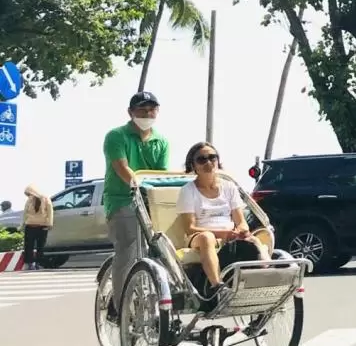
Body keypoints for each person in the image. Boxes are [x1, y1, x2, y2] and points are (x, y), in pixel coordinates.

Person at [103, 91, 170, 321]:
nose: (147, 114)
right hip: (123, 200)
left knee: (165, 249)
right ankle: (118, 306)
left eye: (152, 109)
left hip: (151, 202)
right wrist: (135, 183)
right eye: (142, 110)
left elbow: (161, 175)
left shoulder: (161, 141)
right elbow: (122, 168)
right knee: (128, 251)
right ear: (131, 113)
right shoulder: (116, 136)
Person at [178, 142, 269, 309]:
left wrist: (241, 230)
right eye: (201, 159)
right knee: (207, 238)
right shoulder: (187, 191)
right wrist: (223, 234)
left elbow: (240, 221)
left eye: (212, 157)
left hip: (229, 234)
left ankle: (267, 280)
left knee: (254, 239)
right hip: (200, 236)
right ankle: (217, 287)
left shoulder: (229, 187)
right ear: (193, 165)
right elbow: (189, 228)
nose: (208, 163)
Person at [20, 185, 53, 270]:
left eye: (29, 193)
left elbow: (50, 212)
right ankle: (29, 263)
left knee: (40, 246)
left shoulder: (45, 199)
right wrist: (23, 224)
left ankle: (39, 263)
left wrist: (49, 223)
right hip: (30, 226)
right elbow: (25, 213)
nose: (29, 195)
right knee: (28, 246)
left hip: (42, 226)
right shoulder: (29, 200)